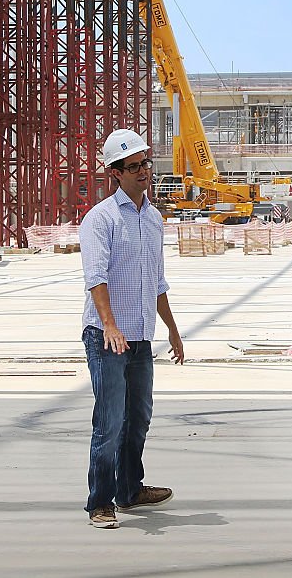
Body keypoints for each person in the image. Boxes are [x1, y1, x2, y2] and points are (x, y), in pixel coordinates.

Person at [79, 128, 185, 529]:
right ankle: (99, 502)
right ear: (116, 173)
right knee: (110, 420)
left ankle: (130, 490)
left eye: (146, 163)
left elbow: (156, 281)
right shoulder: (100, 219)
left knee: (139, 416)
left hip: (141, 336)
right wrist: (109, 324)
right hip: (107, 337)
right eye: (134, 166)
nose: (144, 171)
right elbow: (96, 276)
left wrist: (172, 330)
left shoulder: (154, 218)